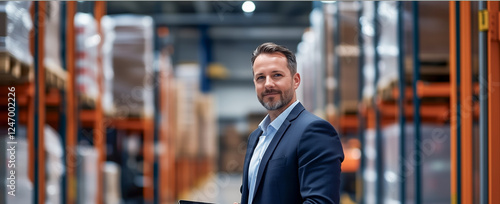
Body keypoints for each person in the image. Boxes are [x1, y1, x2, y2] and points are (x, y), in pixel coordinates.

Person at [238, 42, 344, 204]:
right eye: (260, 77)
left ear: (296, 81)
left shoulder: (314, 131)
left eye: (277, 75)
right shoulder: (256, 136)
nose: (268, 84)